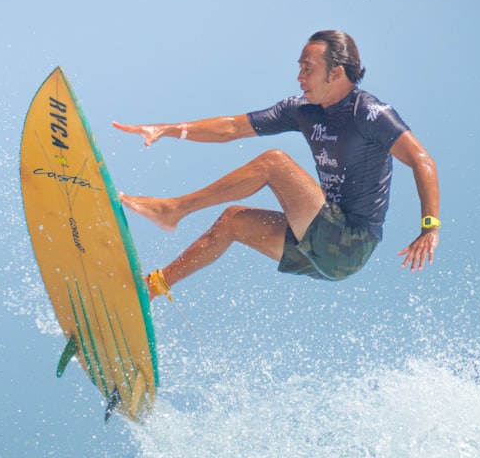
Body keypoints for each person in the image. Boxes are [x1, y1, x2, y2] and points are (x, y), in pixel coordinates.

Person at [113, 30, 440, 301]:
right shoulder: (302, 110)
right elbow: (232, 128)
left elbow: (422, 159)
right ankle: (153, 287)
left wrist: (430, 226)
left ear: (336, 73)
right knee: (232, 221)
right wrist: (168, 129)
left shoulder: (369, 113)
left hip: (351, 241)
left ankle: (172, 210)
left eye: (307, 68)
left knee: (274, 162)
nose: (299, 77)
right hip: (319, 247)